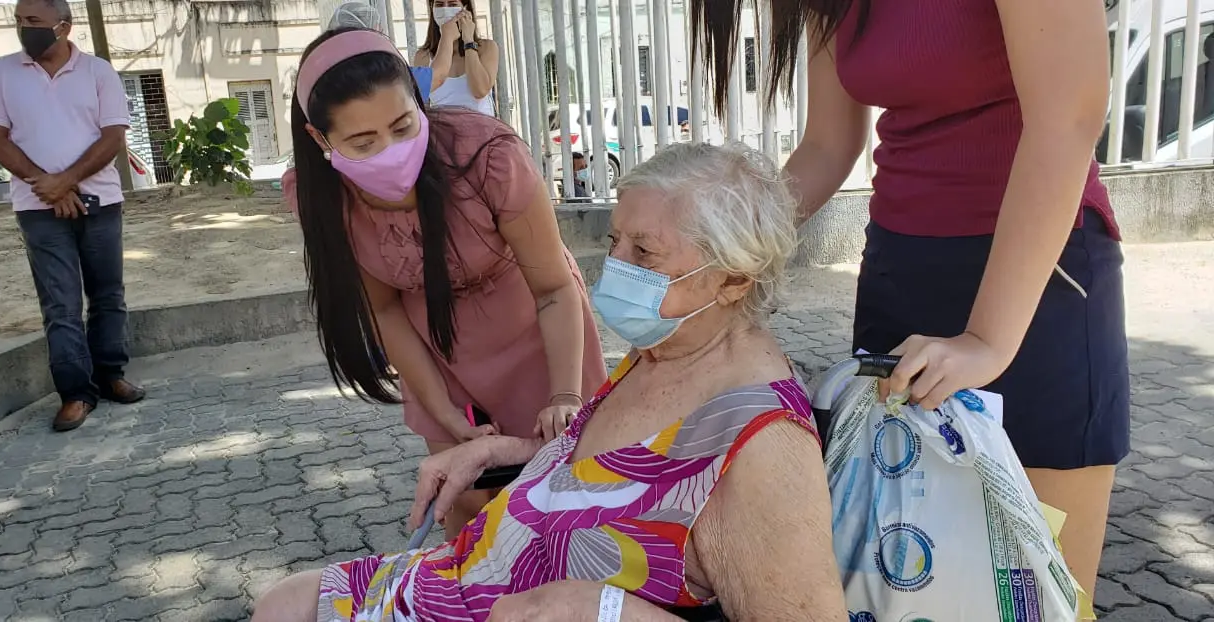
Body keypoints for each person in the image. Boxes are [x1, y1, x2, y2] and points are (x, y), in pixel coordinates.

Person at [253, 140, 845, 622]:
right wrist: (503, 451)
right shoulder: (665, 348)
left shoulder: (762, 443)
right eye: (615, 241)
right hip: (460, 580)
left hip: (489, 605)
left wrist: (602, 610)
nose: (615, 267)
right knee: (284, 604)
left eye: (645, 253)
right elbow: (611, 472)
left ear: (734, 280)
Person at [694, 0, 1122, 613]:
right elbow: (828, 143)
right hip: (900, 269)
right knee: (890, 580)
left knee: (1041, 594)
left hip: (1035, 278)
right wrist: (722, 256)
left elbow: (1069, 114)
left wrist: (987, 340)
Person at [279, 27, 606, 537]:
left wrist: (564, 394)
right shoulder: (321, 197)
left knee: (564, 493)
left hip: (538, 334)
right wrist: (446, 414)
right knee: (469, 505)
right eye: (363, 142)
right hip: (437, 351)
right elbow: (385, 310)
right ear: (320, 140)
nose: (391, 150)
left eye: (403, 125)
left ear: (419, 99)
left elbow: (554, 289)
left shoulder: (489, 156)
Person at [0, 0, 146, 432]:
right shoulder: (3, 72)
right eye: (18, 21)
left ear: (64, 27)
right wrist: (48, 186)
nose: (24, 28)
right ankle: (75, 393)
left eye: (34, 21)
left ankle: (110, 376)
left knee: (107, 295)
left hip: (100, 201)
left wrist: (66, 180)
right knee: (60, 304)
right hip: (38, 209)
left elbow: (113, 137)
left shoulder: (98, 72)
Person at [413, 0, 499, 116]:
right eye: (439, 5)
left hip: (481, 125)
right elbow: (419, 104)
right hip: (444, 126)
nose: (445, 10)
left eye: (452, 4)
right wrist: (446, 38)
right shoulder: (423, 56)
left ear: (466, 9)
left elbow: (480, 91)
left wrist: (468, 41)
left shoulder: (486, 48)